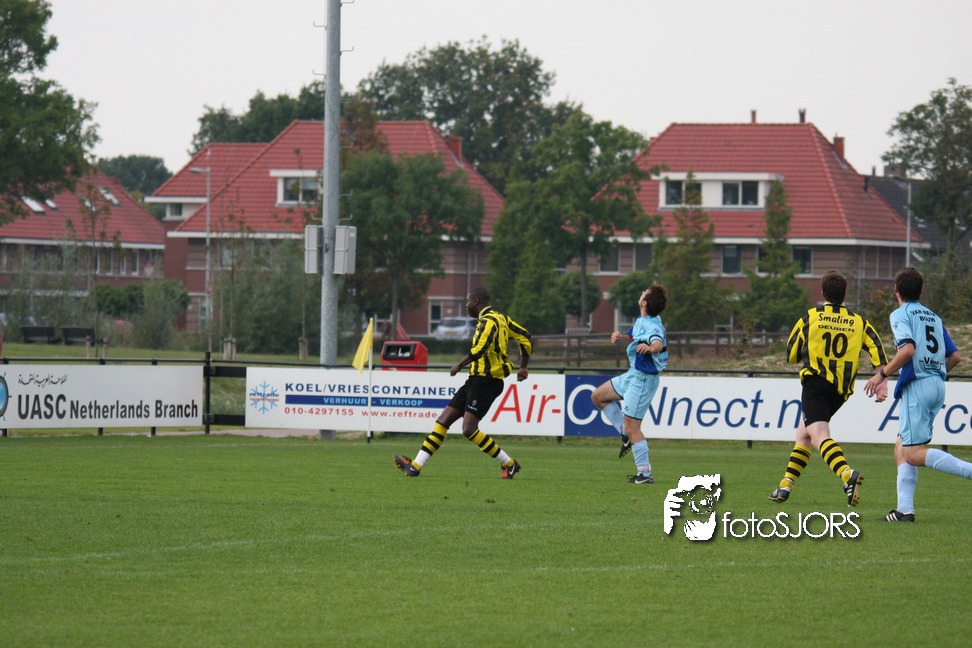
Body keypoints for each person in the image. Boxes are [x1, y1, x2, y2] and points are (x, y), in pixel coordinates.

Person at [769, 271, 889, 506]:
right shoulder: (859, 322)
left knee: (819, 435)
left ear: (822, 293)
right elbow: (875, 346)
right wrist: (882, 379)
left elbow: (791, 354)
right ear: (845, 294)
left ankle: (847, 474)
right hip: (841, 390)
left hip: (816, 384)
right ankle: (785, 486)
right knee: (804, 433)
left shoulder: (810, 317)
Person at [864, 266, 968, 522]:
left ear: (896, 290)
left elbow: (907, 350)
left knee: (912, 453)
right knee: (902, 446)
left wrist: (881, 374)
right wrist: (935, 373)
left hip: (918, 385)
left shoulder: (901, 314)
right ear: (921, 291)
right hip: (937, 384)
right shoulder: (934, 317)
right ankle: (904, 510)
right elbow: (955, 356)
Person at [393, 286, 532, 478]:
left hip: (487, 381)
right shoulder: (502, 319)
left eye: (467, 301)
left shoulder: (489, 321)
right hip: (475, 380)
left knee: (468, 429)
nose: (466, 305)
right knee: (444, 420)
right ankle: (415, 466)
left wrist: (458, 365)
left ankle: (509, 464)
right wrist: (523, 366)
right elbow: (525, 338)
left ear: (476, 301)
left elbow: (480, 348)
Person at [591, 285, 668, 484]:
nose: (641, 292)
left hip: (643, 379)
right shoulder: (642, 320)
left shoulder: (653, 325)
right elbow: (633, 337)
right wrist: (621, 338)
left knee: (633, 427)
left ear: (645, 303)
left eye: (644, 292)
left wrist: (651, 348)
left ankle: (645, 474)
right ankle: (624, 432)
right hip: (633, 375)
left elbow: (658, 343)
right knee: (598, 397)